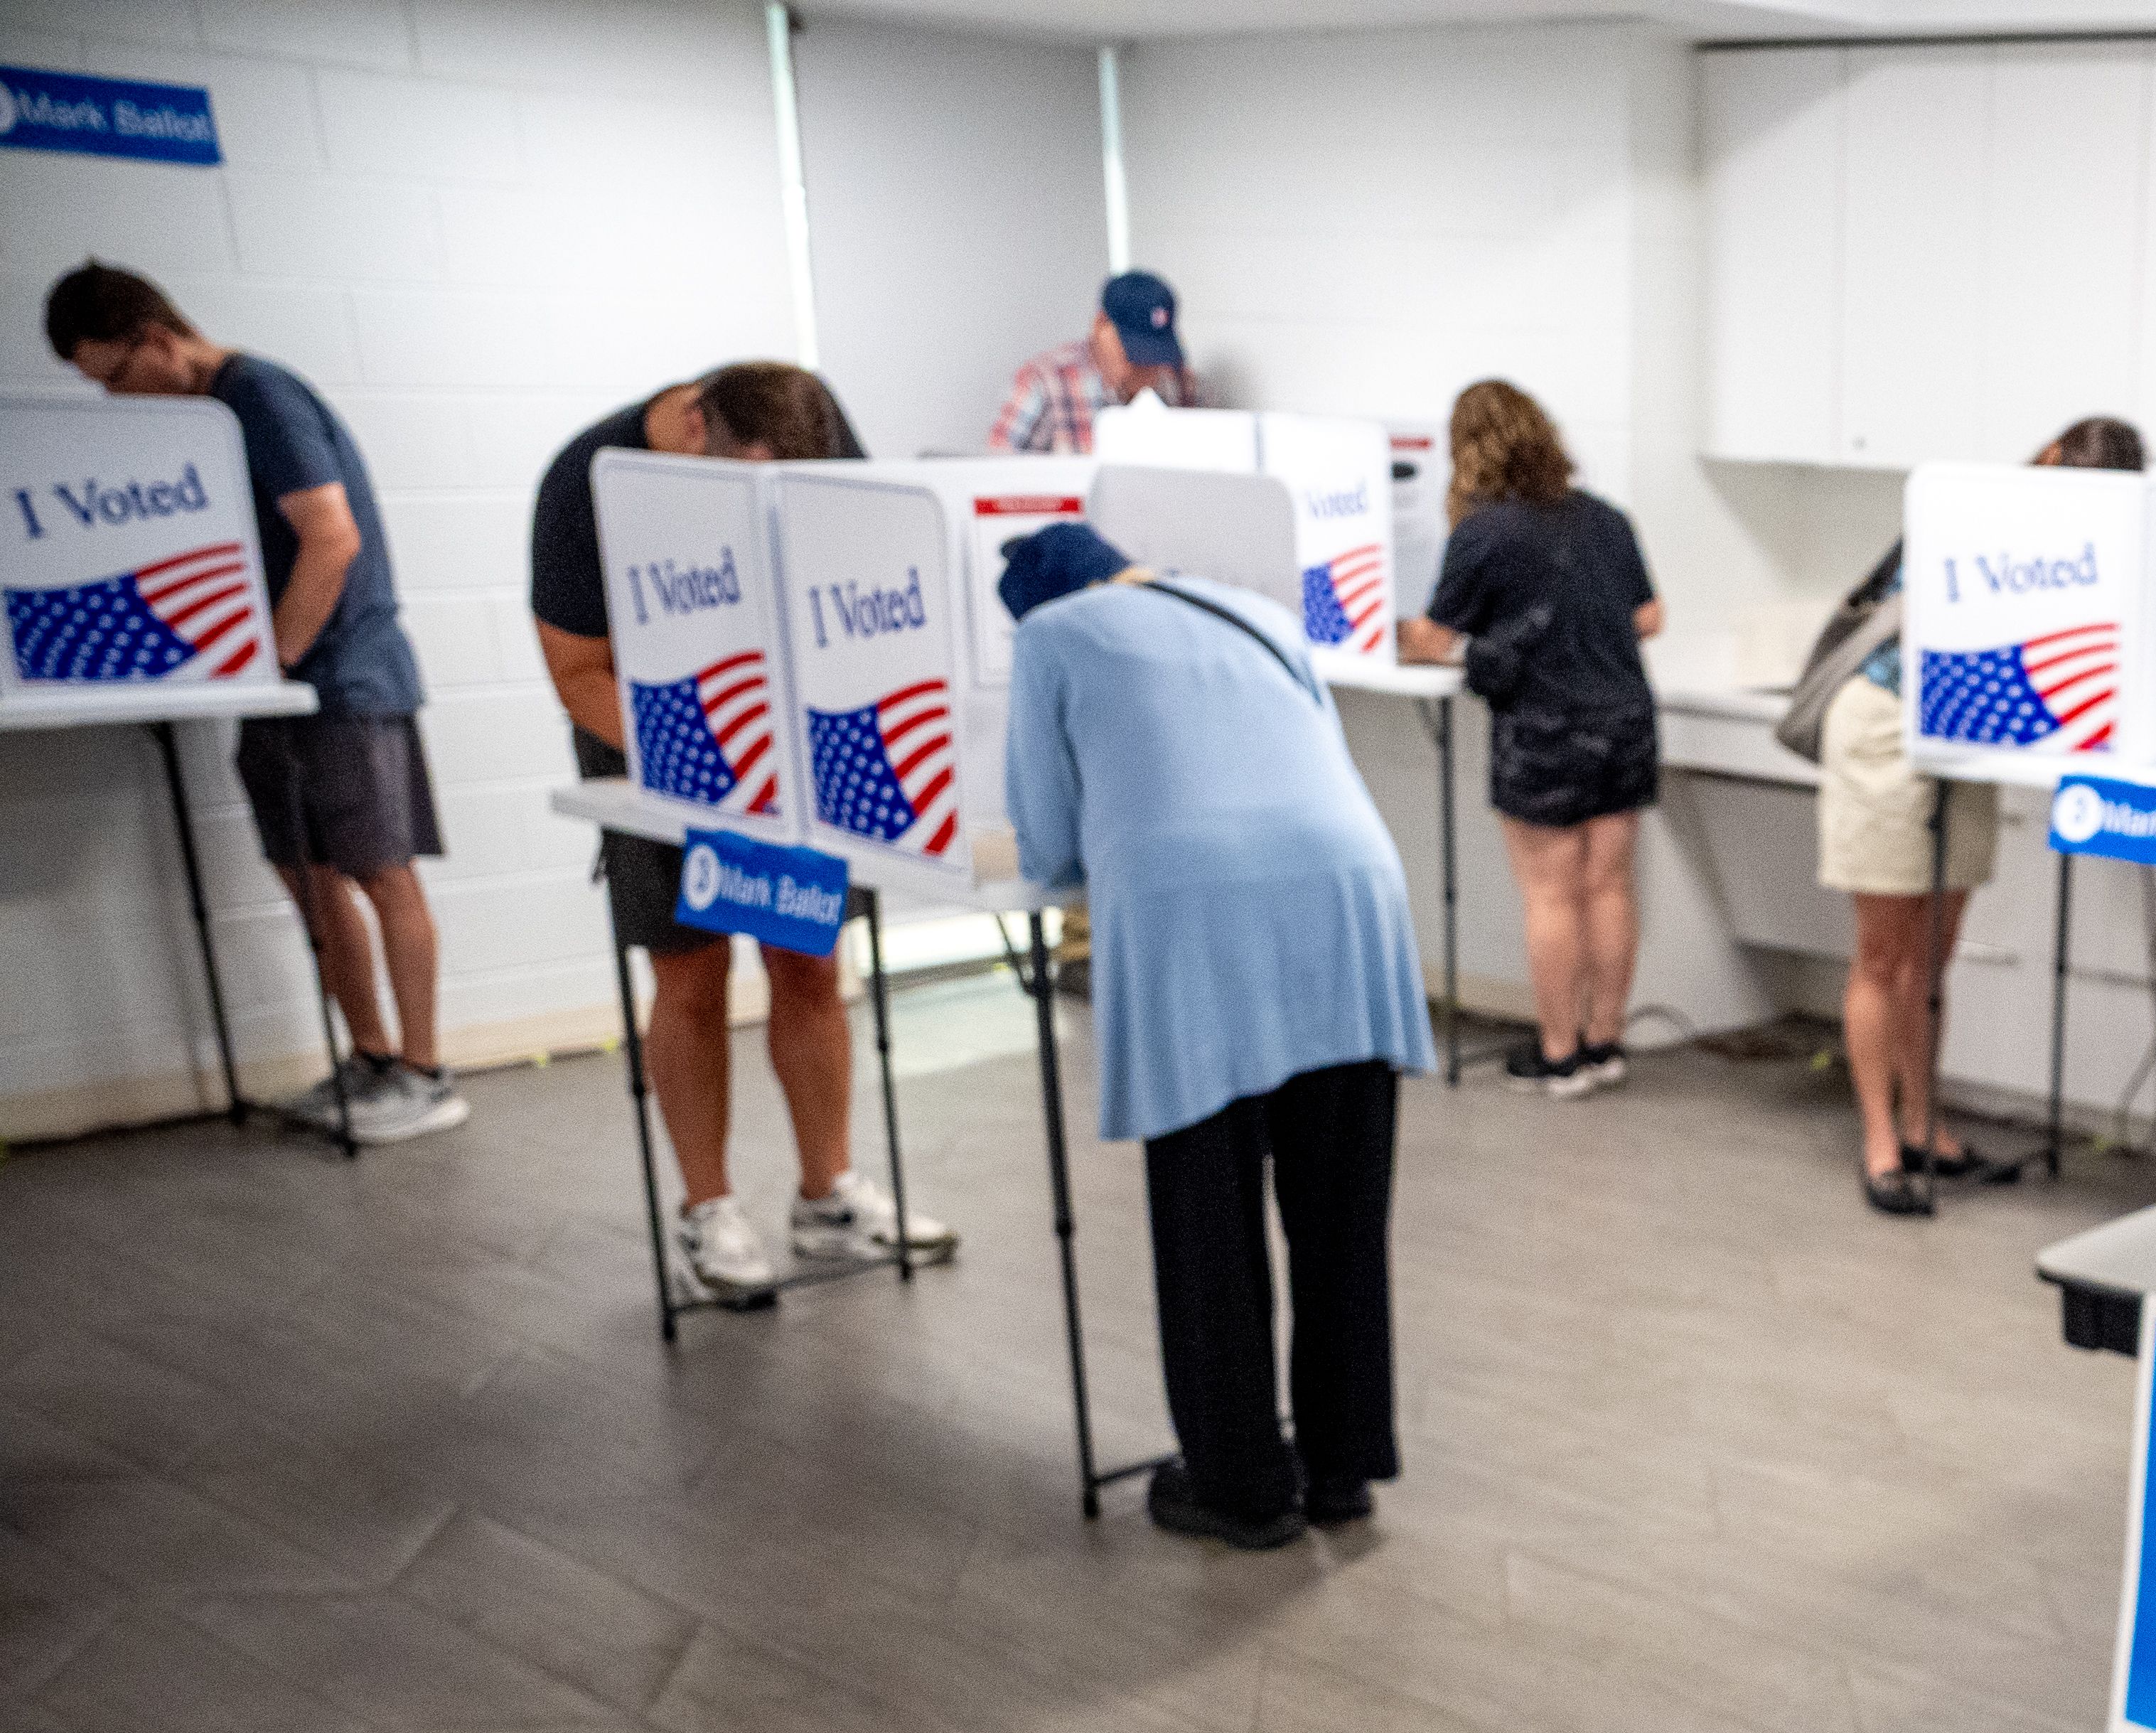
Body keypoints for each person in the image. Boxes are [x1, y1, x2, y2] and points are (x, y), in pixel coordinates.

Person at [998, 522, 1432, 1548]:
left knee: (1209, 1210)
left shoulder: (1053, 635)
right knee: (1339, 1213)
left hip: (1195, 913)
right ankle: (1340, 1470)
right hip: (1349, 891)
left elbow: (1049, 839)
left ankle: (1241, 1485)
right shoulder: (1256, 609)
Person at [527, 364, 955, 1302]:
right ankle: (707, 1210)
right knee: (691, 971)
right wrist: (706, 761)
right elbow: (576, 669)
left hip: (797, 740)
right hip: (649, 735)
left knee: (807, 958)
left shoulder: (819, 426)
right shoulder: (583, 483)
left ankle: (829, 1197)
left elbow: (878, 570)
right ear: (689, 428)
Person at [47, 264, 461, 1146]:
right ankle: (374, 1057)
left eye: (118, 378)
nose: (120, 401)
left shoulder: (259, 395)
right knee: (306, 874)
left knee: (380, 871)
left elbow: (330, 534)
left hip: (339, 675)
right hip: (276, 689)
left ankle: (428, 1072)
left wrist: (270, 657)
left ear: (158, 341)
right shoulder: (206, 421)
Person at [1809, 414, 2147, 1216]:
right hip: (1890, 724)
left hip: (1967, 739)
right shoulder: (1971, 515)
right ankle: (1881, 1144)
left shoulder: (2086, 542)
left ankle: (1928, 1126)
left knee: (1933, 957)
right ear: (2053, 461)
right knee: (1883, 955)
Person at [1403, 381, 1660, 1100]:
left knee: (1550, 893)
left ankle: (1558, 1054)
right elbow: (1651, 617)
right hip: (1625, 721)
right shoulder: (1606, 519)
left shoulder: (1483, 532)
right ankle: (1605, 1042)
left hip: (1544, 728)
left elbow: (1433, 638)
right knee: (1608, 885)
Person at [987, 272, 1203, 456]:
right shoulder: (1044, 381)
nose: (1147, 367)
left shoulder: (1181, 382)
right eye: (1135, 352)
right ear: (1101, 326)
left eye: (1157, 353)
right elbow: (994, 477)